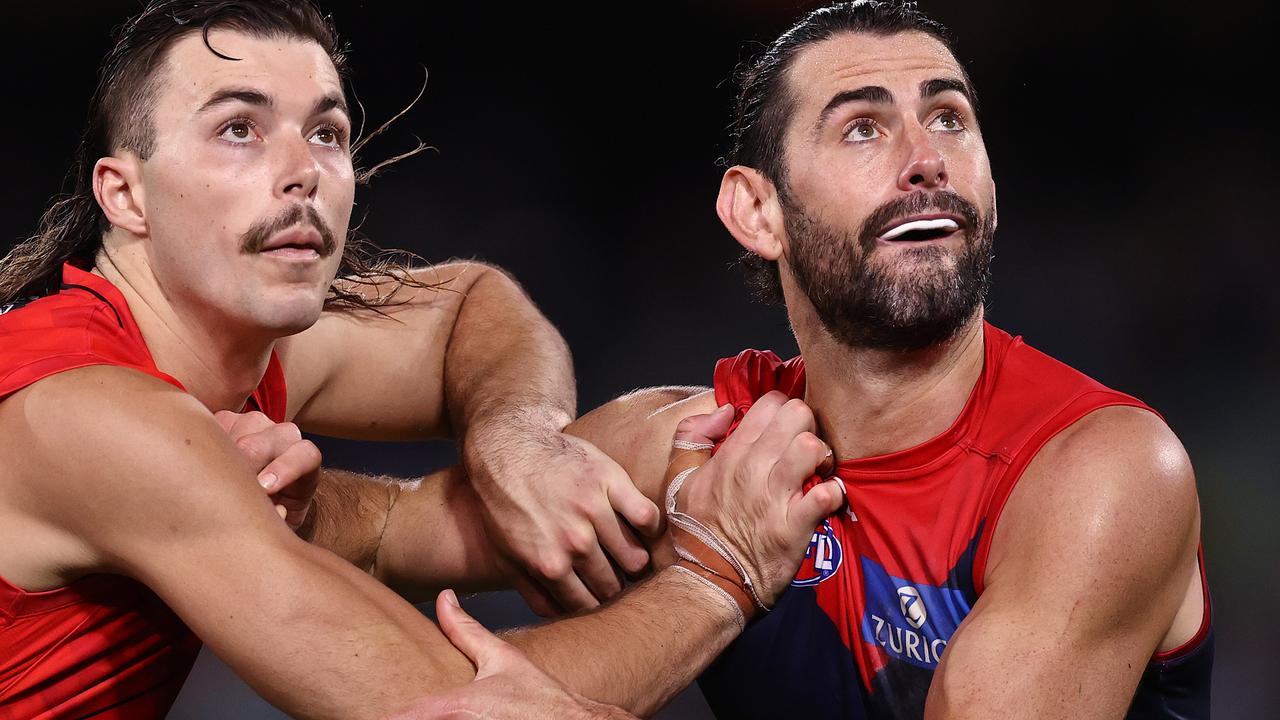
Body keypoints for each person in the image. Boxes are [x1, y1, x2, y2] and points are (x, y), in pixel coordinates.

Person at [0, 1, 846, 718]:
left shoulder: (228, 343)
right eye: (238, 130)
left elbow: (465, 308)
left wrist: (517, 438)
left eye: (326, 132)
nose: (303, 170)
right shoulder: (93, 413)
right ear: (126, 193)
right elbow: (459, 709)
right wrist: (721, 576)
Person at [406, 2, 1210, 717]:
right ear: (757, 210)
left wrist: (702, 592)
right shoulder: (701, 443)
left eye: (950, 118)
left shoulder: (1101, 470)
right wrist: (296, 486)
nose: (925, 157)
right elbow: (378, 537)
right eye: (863, 126)